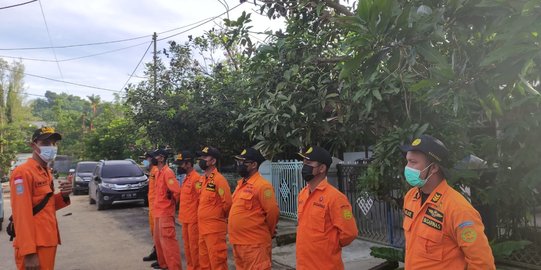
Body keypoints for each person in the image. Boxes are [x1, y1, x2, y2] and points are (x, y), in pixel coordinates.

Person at [400, 135, 495, 269]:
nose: (407, 167)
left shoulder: (458, 209)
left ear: (434, 168)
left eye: (413, 162)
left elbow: (482, 263)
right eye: (407, 161)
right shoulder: (411, 197)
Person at [9, 127, 72, 270]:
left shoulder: (45, 171)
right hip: (35, 246)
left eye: (54, 143)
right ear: (33, 145)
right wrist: (29, 252)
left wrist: (64, 196)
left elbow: (45, 205)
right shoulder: (23, 173)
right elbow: (21, 214)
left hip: (48, 241)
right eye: (46, 143)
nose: (51, 147)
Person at [296, 146, 358, 270]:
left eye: (308, 163)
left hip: (326, 265)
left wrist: (329, 245)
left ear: (322, 168)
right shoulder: (303, 193)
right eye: (304, 163)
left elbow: (349, 233)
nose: (304, 166)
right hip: (304, 265)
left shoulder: (335, 198)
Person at [228, 148, 279, 270]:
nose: (239, 164)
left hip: (254, 245)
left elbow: (273, 213)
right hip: (238, 243)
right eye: (239, 161)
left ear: (254, 165)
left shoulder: (262, 186)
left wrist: (269, 233)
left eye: (243, 162)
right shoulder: (241, 184)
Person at [196, 146, 232, 270]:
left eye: (205, 157)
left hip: (215, 230)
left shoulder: (219, 180)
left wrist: (217, 217)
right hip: (202, 228)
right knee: (204, 263)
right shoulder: (202, 179)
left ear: (213, 161)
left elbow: (227, 203)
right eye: (201, 156)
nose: (201, 159)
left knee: (217, 263)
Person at [152, 149, 182, 270]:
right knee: (159, 241)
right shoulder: (159, 172)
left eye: (155, 156)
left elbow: (176, 192)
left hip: (165, 212)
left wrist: (171, 205)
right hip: (158, 212)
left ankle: (174, 267)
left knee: (169, 242)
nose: (152, 159)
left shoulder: (167, 172)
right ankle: (164, 265)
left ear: (162, 158)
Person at [175, 151, 202, 270]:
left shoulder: (196, 179)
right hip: (185, 218)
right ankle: (190, 267)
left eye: (181, 164)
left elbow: (201, 199)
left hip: (193, 220)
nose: (179, 166)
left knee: (195, 247)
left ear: (189, 164)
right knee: (187, 247)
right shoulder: (186, 178)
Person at [142, 152, 159, 262]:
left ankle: (160, 256)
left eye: (147, 159)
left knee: (158, 234)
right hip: (152, 208)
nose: (145, 162)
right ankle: (156, 252)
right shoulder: (152, 172)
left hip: (157, 208)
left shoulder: (157, 172)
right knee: (154, 233)